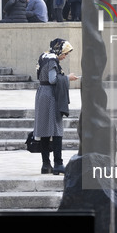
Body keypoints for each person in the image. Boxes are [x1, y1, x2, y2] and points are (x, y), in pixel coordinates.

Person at [33, 38, 78, 175]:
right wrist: (67, 78)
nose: (65, 56)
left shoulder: (44, 56)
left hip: (41, 94)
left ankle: (45, 165)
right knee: (56, 130)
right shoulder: (53, 60)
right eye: (65, 53)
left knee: (44, 130)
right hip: (51, 96)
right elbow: (53, 79)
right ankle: (58, 164)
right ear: (59, 51)